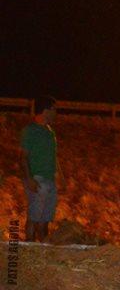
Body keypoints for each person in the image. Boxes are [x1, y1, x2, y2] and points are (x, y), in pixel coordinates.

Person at [19, 95, 59, 242]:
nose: (56, 113)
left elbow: (54, 157)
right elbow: (23, 157)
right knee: (34, 218)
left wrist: (59, 177)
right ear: (45, 110)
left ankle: (42, 251)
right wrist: (29, 179)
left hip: (49, 180)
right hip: (37, 179)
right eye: (54, 109)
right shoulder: (30, 131)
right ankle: (29, 249)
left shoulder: (49, 132)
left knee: (45, 219)